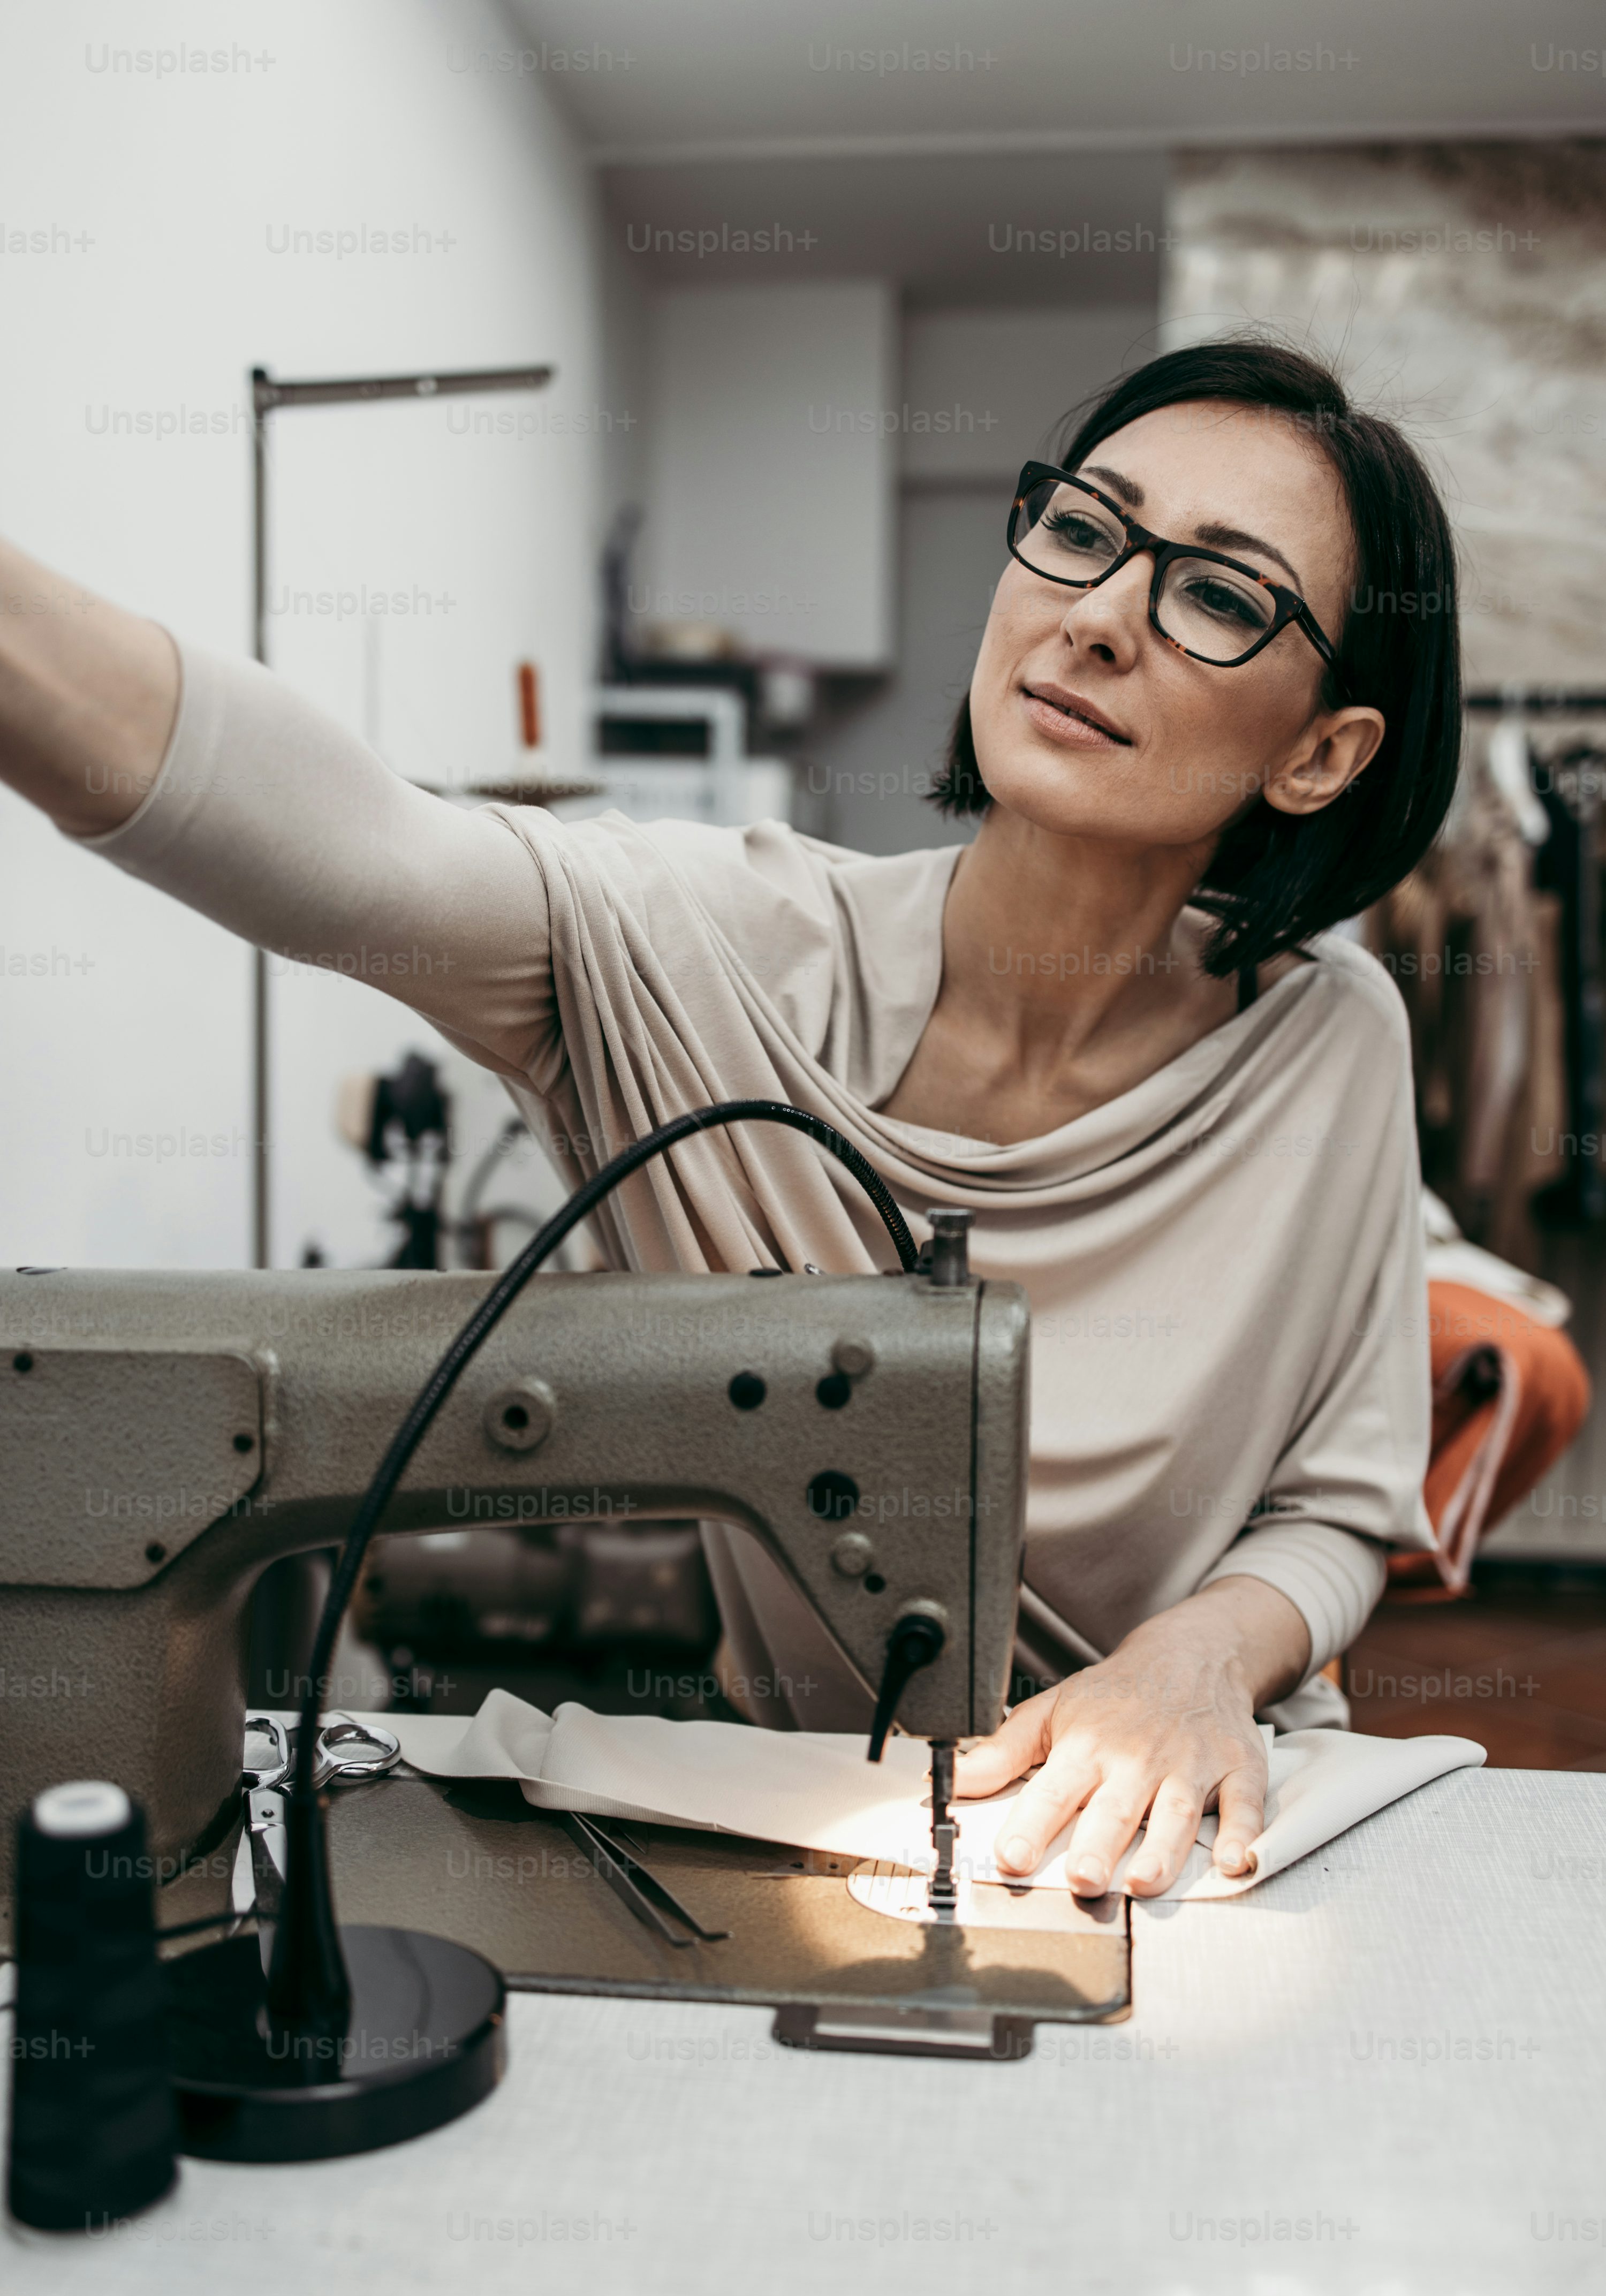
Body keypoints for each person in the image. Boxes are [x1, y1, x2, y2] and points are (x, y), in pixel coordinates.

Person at [0, 337, 1463, 1899]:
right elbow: (356, 848)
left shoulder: (1325, 1043)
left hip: (1216, 1821)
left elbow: (1337, 1505)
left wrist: (1188, 1666)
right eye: (1086, 530)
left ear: (1322, 752)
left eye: (1222, 597)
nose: (1098, 617)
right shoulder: (697, 962)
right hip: (849, 1837)